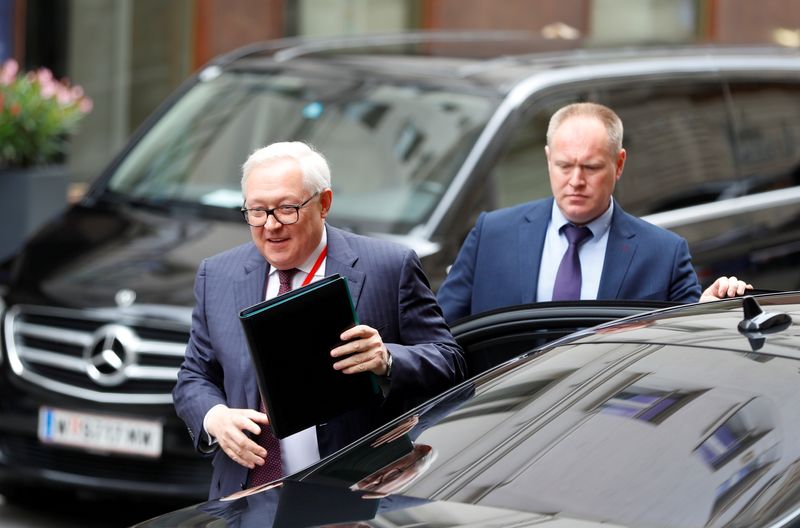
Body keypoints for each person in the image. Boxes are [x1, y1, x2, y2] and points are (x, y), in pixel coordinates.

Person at [173, 141, 465, 500]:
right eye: (257, 211)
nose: (271, 226)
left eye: (287, 209)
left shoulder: (389, 267)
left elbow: (449, 362)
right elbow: (194, 376)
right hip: (245, 494)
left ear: (324, 203)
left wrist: (387, 360)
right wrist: (213, 417)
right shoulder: (216, 275)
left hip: (355, 493)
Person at [437, 102, 751, 323]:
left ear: (619, 164)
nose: (575, 181)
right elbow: (440, 338)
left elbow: (683, 343)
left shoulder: (663, 254)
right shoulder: (493, 234)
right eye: (564, 165)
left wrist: (707, 311)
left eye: (591, 167)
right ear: (548, 160)